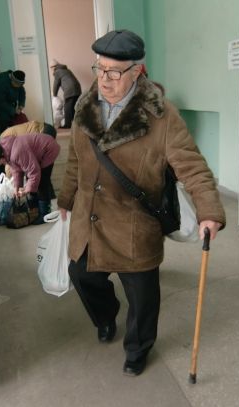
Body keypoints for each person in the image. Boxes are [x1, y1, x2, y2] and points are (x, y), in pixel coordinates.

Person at [56, 29, 225, 376]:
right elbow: (75, 159)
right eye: (100, 69)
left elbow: (192, 165)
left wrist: (209, 211)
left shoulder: (162, 116)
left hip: (133, 220)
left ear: (136, 71)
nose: (104, 80)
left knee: (143, 297)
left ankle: (138, 348)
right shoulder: (85, 105)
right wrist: (66, 197)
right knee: (80, 274)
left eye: (114, 72)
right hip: (90, 216)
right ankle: (106, 315)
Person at [0, 133, 60, 224]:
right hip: (38, 150)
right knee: (32, 181)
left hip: (48, 149)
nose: (0, 164)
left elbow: (34, 171)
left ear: (2, 155)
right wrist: (17, 188)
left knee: (41, 181)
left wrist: (26, 190)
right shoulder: (5, 149)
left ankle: (44, 214)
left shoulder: (17, 152)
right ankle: (36, 209)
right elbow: (16, 169)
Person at [50, 60, 82, 128]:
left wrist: (54, 95)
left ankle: (67, 125)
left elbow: (56, 84)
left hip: (70, 90)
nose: (51, 70)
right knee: (74, 108)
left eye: (51, 68)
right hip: (77, 89)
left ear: (54, 67)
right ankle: (75, 125)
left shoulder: (57, 71)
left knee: (67, 108)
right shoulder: (66, 70)